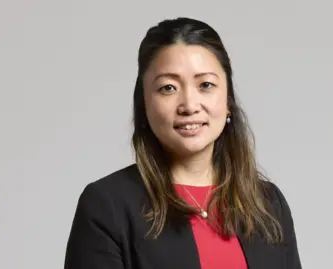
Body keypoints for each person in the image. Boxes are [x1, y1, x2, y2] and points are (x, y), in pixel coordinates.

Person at [64, 17, 302, 269]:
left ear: (228, 100)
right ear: (144, 104)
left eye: (206, 85)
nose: (189, 105)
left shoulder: (267, 203)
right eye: (168, 88)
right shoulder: (106, 205)